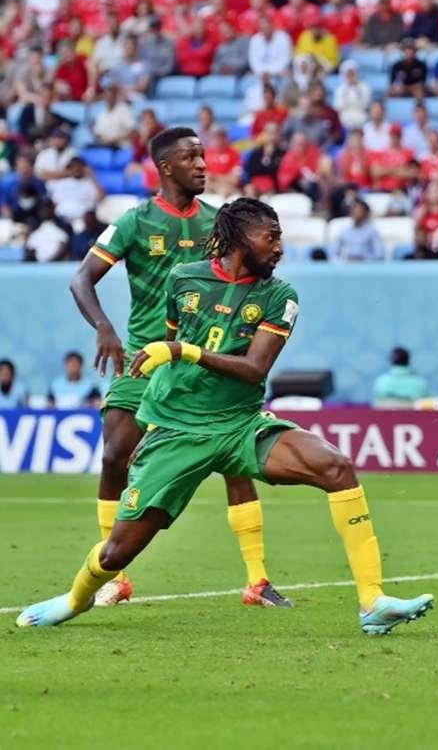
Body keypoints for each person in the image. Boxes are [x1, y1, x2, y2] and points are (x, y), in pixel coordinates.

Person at [19, 198, 435, 635]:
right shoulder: (183, 279)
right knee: (115, 554)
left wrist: (184, 350)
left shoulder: (280, 297)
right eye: (271, 237)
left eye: (280, 237)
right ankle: (74, 599)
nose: (279, 247)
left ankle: (373, 601)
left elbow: (254, 368)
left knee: (337, 467)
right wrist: (153, 420)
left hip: (240, 425)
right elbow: (172, 363)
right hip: (178, 431)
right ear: (239, 238)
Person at [67, 127, 287, 609]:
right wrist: (104, 328)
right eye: (192, 157)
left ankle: (257, 579)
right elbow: (82, 279)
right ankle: (115, 576)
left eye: (203, 156)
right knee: (114, 456)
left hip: (204, 360)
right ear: (166, 167)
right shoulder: (134, 222)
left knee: (235, 462)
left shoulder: (220, 224)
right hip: (144, 356)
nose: (203, 165)